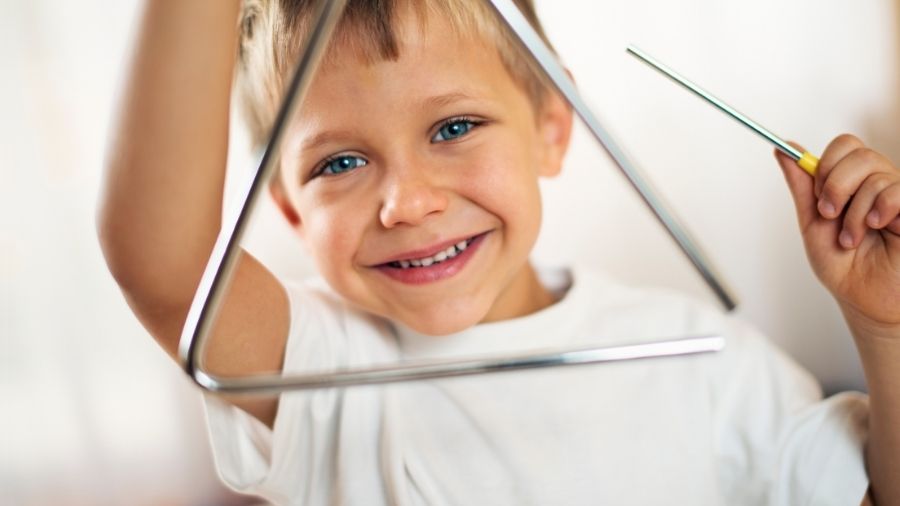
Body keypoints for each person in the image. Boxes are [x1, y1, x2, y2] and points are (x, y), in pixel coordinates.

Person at [97, 0, 900, 504]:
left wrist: (886, 333)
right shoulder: (316, 366)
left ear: (553, 126)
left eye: (453, 128)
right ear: (287, 210)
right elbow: (164, 265)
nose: (407, 203)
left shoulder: (710, 363)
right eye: (338, 163)